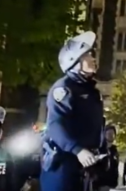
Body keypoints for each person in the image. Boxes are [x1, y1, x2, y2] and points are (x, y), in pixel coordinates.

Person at [40, 31, 106, 191]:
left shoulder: (92, 91)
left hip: (85, 164)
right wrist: (78, 150)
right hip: (63, 164)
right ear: (74, 61)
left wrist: (102, 150)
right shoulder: (64, 88)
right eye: (87, 56)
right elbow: (55, 125)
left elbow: (97, 125)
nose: (93, 59)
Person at [93, 124, 119, 190]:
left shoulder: (114, 150)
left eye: (113, 134)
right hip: (98, 185)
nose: (111, 135)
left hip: (111, 185)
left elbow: (115, 168)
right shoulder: (98, 149)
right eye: (109, 133)